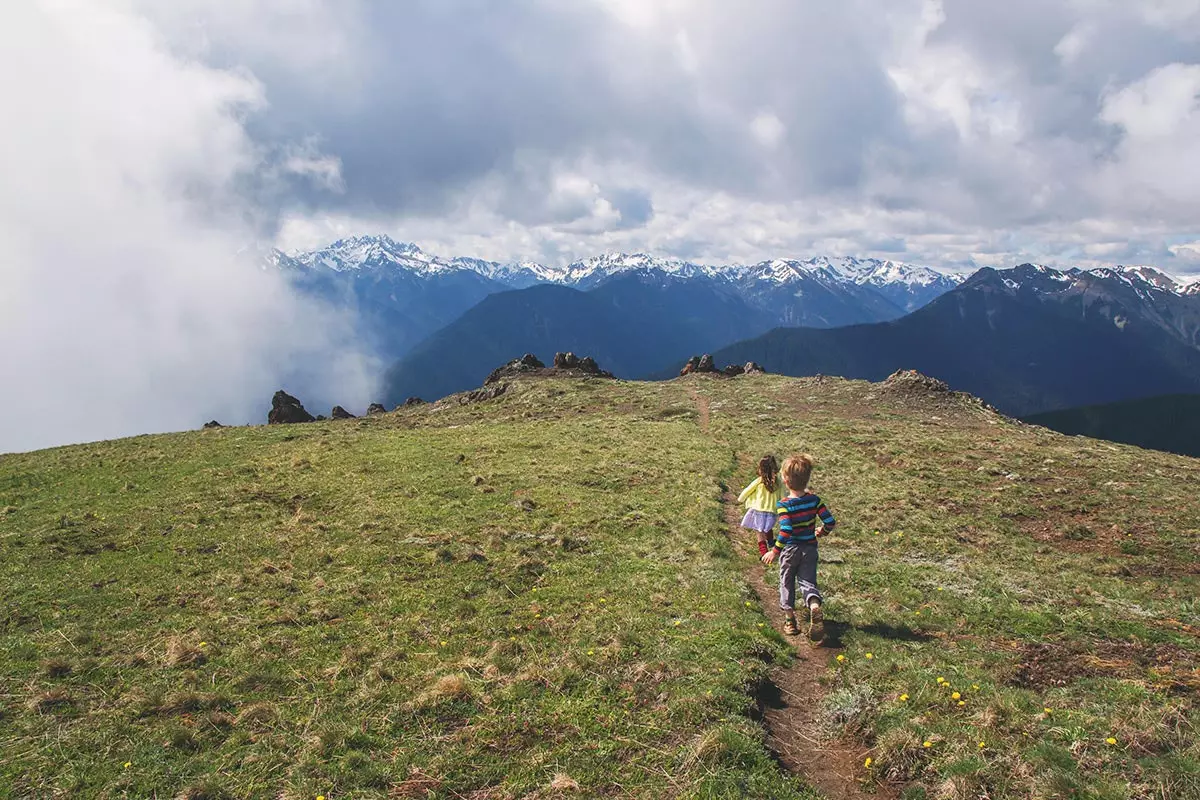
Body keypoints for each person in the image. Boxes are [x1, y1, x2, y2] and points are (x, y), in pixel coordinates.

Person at [761, 454, 836, 640]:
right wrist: (822, 532)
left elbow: (786, 530)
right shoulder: (815, 500)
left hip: (791, 550)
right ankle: (814, 605)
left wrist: (774, 551)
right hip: (810, 548)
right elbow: (830, 521)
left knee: (786, 582)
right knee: (807, 581)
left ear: (785, 481)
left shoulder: (784, 505)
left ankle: (790, 621)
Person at [737, 455, 782, 557]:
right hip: (772, 511)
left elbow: (748, 490)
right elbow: (783, 496)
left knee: (760, 531)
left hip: (758, 510)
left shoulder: (759, 481)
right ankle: (770, 541)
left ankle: (764, 553)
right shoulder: (779, 483)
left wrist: (740, 499)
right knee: (767, 526)